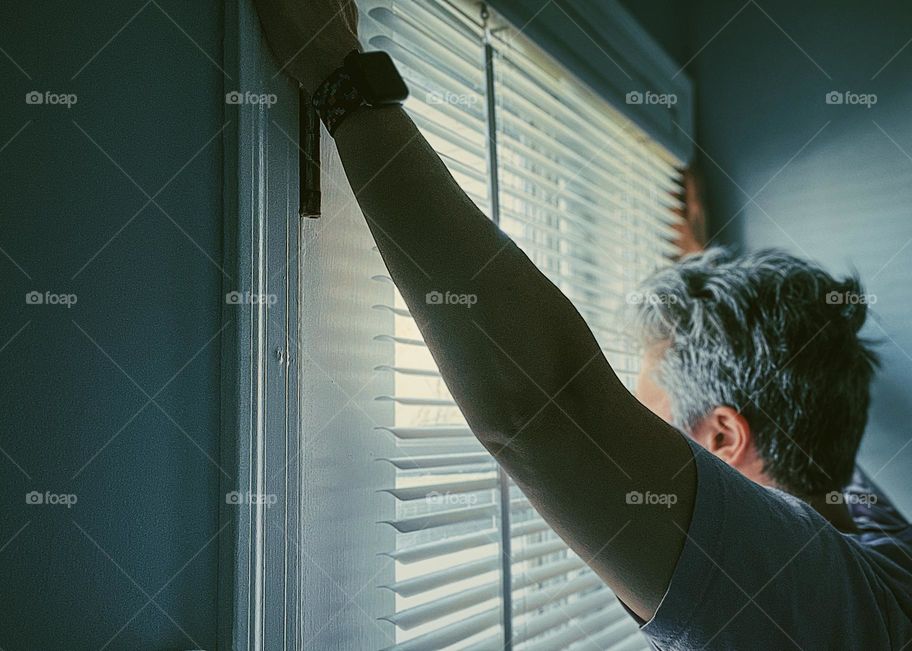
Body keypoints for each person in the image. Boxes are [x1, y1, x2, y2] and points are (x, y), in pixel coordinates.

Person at [254, 1, 912, 647]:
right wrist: (705, 272)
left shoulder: (803, 603)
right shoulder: (879, 538)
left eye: (646, 415)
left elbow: (542, 409)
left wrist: (341, 78)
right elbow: (801, 375)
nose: (634, 434)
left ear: (722, 434)